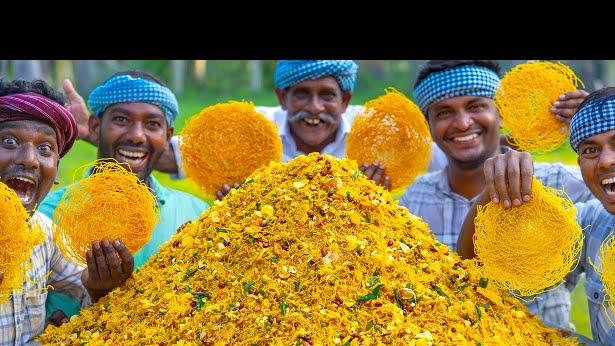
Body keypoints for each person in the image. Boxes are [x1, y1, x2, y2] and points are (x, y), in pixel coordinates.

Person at [399, 60, 594, 346]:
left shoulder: (558, 185)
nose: (462, 123)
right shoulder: (412, 200)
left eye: (476, 106)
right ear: (428, 126)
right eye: (444, 112)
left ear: (501, 115)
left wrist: (601, 127)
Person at [457, 86, 615, 346]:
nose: (607, 160)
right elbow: (473, 268)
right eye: (589, 149)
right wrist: (490, 194)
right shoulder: (591, 228)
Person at [39, 70, 210, 346]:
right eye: (121, 120)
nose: (136, 135)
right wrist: (97, 295)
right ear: (95, 127)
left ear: (168, 136)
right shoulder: (51, 213)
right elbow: (38, 319)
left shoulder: (197, 215)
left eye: (152, 124)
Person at [105, 60, 448, 196]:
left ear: (345, 100)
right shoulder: (255, 130)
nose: (314, 109)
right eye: (302, 95)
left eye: (326, 96)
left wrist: (498, 152)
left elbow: (446, 154)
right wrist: (101, 134)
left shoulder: (374, 133)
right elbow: (175, 154)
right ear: (282, 97)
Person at [0, 78, 134, 346]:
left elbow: (85, 287)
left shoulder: (44, 234)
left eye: (46, 149)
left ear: (56, 172)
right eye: (10, 141)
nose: (29, 159)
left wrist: (102, 284)